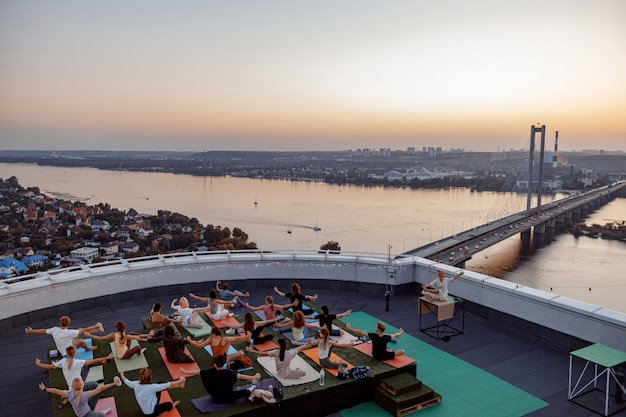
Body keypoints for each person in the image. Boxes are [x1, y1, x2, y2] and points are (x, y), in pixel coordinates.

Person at [180, 353, 260, 404]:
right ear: (224, 363)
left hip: (215, 398)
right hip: (228, 398)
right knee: (246, 392)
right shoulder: (230, 373)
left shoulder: (208, 372)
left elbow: (196, 372)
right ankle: (250, 389)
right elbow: (242, 377)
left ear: (215, 364)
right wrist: (255, 377)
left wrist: (185, 372)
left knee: (237, 390)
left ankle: (251, 387)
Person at [35, 345, 114, 389]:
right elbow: (94, 360)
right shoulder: (77, 362)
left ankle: (105, 361)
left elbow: (50, 366)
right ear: (75, 353)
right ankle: (106, 361)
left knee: (88, 365)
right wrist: (106, 357)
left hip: (72, 383)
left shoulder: (62, 361)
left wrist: (38, 364)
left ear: (66, 353)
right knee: (95, 384)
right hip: (77, 386)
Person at [39, 376, 121, 417]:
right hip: (87, 414)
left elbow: (56, 391)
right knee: (101, 415)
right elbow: (102, 388)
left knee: (97, 394)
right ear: (82, 386)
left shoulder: (69, 393)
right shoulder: (85, 395)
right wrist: (113, 383)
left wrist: (45, 389)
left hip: (84, 410)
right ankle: (116, 385)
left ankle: (116, 385)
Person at [120, 368, 185, 417]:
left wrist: (122, 375)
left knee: (160, 384)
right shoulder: (152, 387)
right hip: (151, 413)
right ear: (150, 378)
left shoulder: (136, 384)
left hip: (145, 408)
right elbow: (168, 384)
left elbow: (127, 381)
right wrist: (180, 380)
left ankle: (179, 386)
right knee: (168, 404)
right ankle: (174, 405)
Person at [25, 315, 103, 355]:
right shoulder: (69, 332)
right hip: (67, 352)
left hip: (63, 347)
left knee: (79, 330)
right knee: (81, 341)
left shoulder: (54, 329)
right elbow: (84, 330)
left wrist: (32, 331)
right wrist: (95, 325)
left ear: (60, 323)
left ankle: (99, 330)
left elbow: (42, 331)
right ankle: (87, 348)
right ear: (68, 324)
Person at [247, 338, 313, 379]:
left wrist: (252, 351)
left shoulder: (276, 352)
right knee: (303, 373)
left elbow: (264, 353)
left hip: (280, 373)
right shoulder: (289, 354)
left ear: (279, 345)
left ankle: (295, 371)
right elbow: (299, 349)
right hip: (286, 374)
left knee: (295, 351)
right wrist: (307, 345)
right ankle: (295, 372)